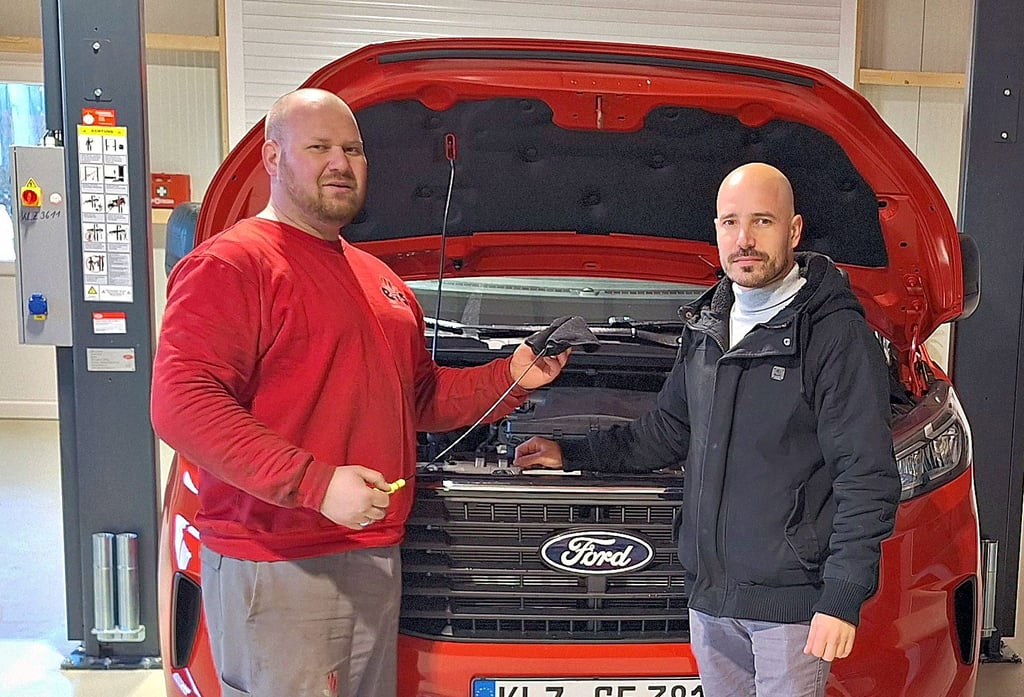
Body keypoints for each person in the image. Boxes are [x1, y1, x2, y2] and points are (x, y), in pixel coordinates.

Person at [151, 88, 568, 697]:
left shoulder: (381, 281)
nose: (340, 163)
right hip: (279, 557)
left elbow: (417, 398)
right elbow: (183, 403)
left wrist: (509, 377)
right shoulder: (235, 264)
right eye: (318, 147)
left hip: (373, 553)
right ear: (273, 158)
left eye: (352, 149)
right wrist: (315, 483)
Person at [514, 162, 900, 697]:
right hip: (712, 601)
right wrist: (571, 451)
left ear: (793, 231)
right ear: (716, 231)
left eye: (762, 221)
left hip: (790, 606)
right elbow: (667, 432)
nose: (744, 239)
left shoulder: (833, 336)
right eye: (729, 223)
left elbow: (866, 474)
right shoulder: (706, 328)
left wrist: (841, 596)